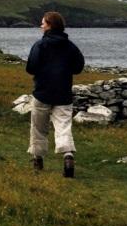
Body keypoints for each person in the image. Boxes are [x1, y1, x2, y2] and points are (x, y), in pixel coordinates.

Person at [25, 11, 85, 178]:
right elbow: (78, 67)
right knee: (63, 126)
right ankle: (68, 156)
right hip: (63, 93)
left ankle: (38, 159)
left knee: (38, 128)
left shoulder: (40, 45)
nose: (41, 26)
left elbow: (30, 68)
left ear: (50, 25)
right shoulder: (71, 46)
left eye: (43, 23)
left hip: (42, 92)